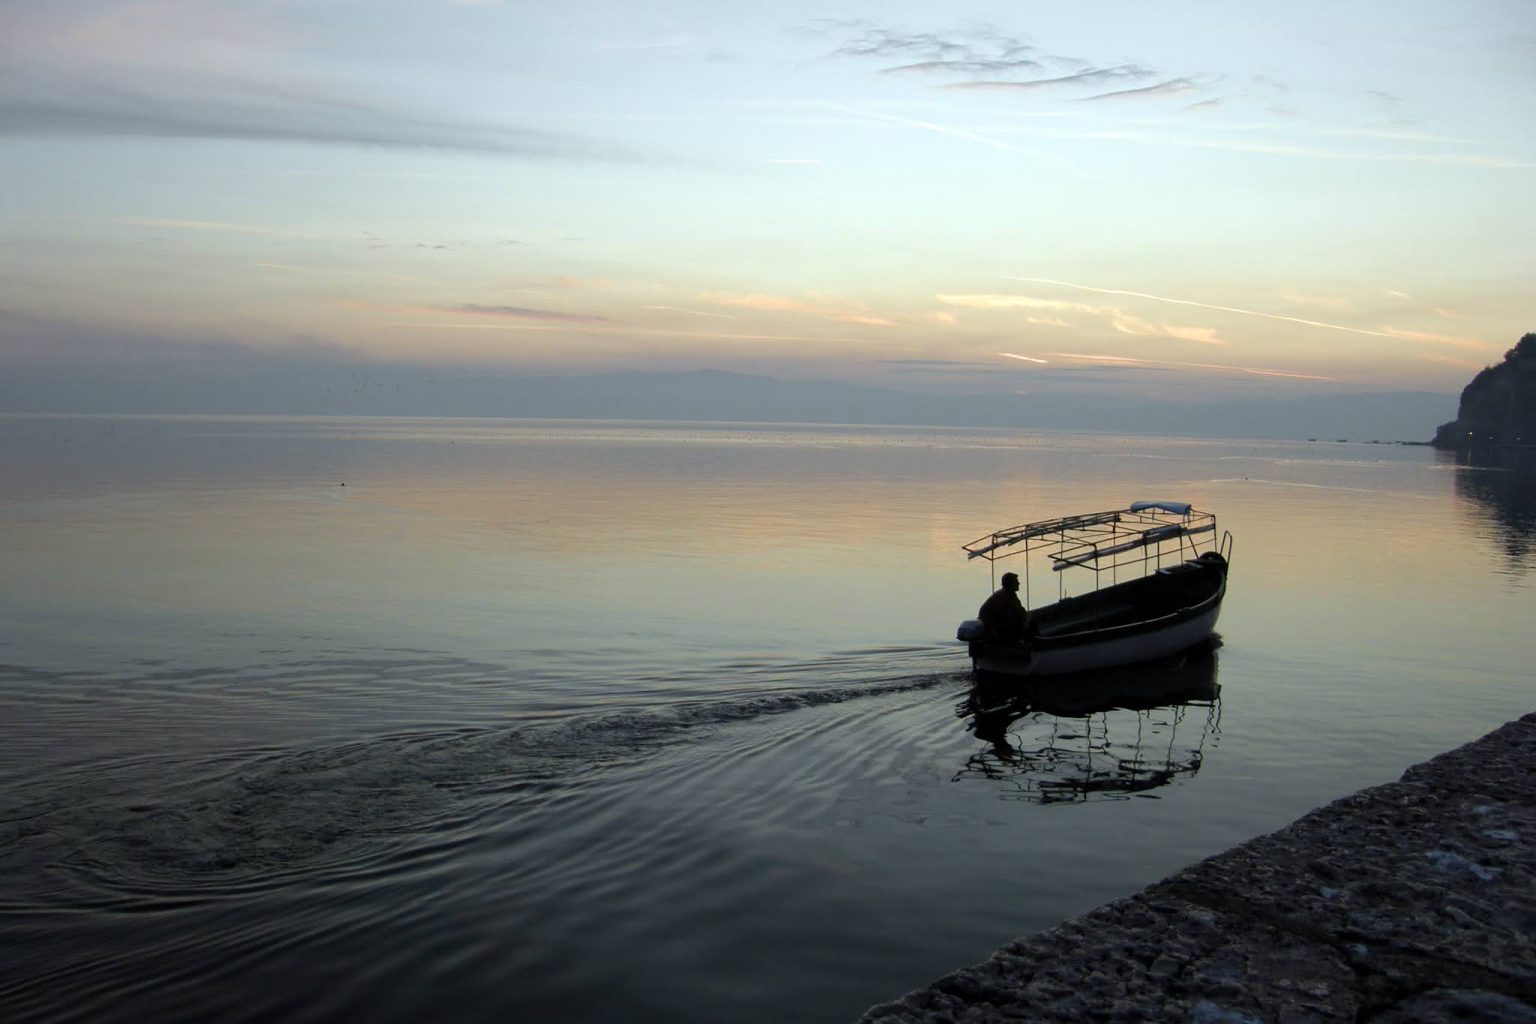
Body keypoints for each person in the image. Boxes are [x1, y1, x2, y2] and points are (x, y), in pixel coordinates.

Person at [977, 571, 1029, 642]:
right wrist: (993, 630)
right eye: (1016, 581)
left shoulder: (1012, 595)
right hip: (997, 630)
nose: (1018, 583)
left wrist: (1026, 619)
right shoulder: (1001, 597)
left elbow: (1020, 610)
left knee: (1030, 623)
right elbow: (984, 614)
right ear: (1010, 584)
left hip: (1003, 626)